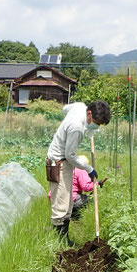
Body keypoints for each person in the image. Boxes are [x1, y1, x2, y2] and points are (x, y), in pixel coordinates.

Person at [46, 100, 111, 245]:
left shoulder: (79, 106)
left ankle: (65, 238)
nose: (97, 126)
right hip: (59, 163)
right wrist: (89, 169)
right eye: (96, 122)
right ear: (89, 113)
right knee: (61, 203)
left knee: (68, 201)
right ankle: (60, 242)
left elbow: (64, 108)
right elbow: (70, 155)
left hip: (65, 161)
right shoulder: (76, 128)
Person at [46, 155, 108, 221]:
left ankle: (67, 216)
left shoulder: (68, 168)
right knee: (90, 200)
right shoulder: (80, 170)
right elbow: (86, 187)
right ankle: (75, 216)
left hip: (55, 196)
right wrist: (97, 183)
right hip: (70, 198)